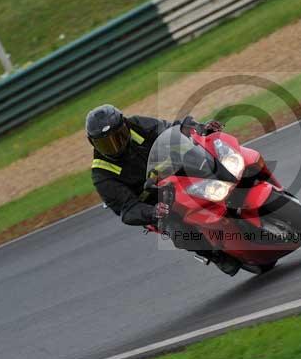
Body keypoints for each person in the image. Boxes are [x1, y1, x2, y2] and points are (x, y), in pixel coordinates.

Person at [86, 104, 242, 276]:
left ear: (125, 125)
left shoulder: (137, 124)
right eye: (107, 144)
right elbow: (128, 209)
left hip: (175, 171)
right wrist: (154, 212)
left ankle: (244, 186)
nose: (117, 146)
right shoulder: (101, 174)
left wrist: (199, 127)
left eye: (119, 136)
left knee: (214, 158)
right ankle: (214, 255)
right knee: (178, 231)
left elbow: (170, 129)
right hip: (155, 202)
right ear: (92, 142)